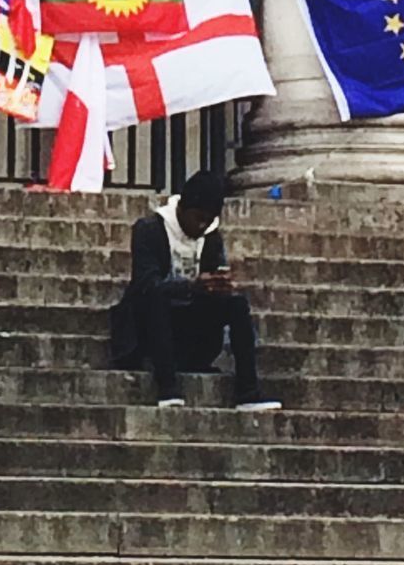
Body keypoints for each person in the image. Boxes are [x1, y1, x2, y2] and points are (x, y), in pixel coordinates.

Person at [109, 170, 281, 411]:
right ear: (183, 208)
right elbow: (145, 286)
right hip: (150, 326)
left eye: (208, 221)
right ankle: (167, 387)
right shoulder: (149, 229)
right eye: (198, 218)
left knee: (237, 305)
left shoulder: (210, 237)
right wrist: (192, 286)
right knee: (156, 298)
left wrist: (219, 286)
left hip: (190, 327)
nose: (202, 226)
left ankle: (248, 392)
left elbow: (211, 282)